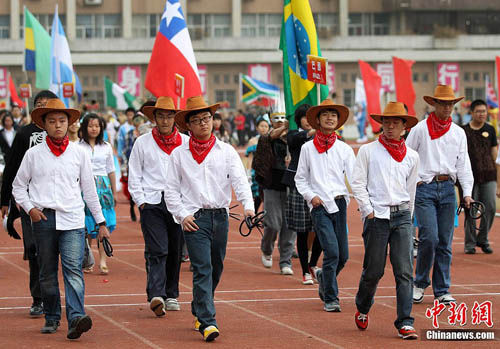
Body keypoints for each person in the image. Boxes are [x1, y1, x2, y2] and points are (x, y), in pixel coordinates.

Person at [12, 98, 110, 339]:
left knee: (73, 270)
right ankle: (52, 316)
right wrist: (30, 209)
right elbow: (18, 186)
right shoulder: (33, 155)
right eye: (52, 121)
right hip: (43, 220)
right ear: (44, 124)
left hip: (73, 220)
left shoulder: (79, 153)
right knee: (46, 271)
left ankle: (76, 317)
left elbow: (89, 191)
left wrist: (101, 224)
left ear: (69, 124)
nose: (58, 125)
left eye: (62, 121)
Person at [165, 96, 254, 342]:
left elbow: (240, 180)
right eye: (197, 120)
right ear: (188, 126)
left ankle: (199, 304)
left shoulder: (226, 151)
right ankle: (208, 321)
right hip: (195, 219)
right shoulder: (178, 154)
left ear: (213, 121)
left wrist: (248, 207)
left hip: (221, 217)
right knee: (202, 268)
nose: (203, 123)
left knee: (216, 267)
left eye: (207, 118)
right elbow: (171, 190)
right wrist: (182, 215)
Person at [351, 102, 420, 339]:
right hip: (377, 217)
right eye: (386, 122)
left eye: (395, 123)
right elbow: (358, 183)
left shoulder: (412, 156)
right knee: (374, 270)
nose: (390, 127)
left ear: (404, 127)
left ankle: (405, 321)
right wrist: (367, 210)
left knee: (404, 270)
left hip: (401, 216)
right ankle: (362, 306)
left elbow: (411, 190)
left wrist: (409, 217)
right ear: (381, 124)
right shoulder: (368, 151)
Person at [406, 85, 474, 305]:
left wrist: (467, 193)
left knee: (445, 242)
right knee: (429, 237)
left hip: (447, 190)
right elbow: (407, 156)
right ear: (433, 104)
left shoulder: (458, 132)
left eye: (450, 104)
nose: (447, 108)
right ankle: (420, 282)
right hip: (425, 187)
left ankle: (442, 289)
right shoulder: (420, 129)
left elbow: (463, 165)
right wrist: (412, 183)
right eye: (442, 103)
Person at [0, 90, 58, 318]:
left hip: (58, 203)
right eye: (39, 105)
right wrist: (5, 200)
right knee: (35, 251)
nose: (43, 107)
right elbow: (12, 168)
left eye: (47, 104)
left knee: (56, 253)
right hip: (29, 204)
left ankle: (54, 298)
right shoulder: (24, 134)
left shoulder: (62, 135)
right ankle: (39, 298)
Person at [129, 97, 188, 317]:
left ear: (175, 118)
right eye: (161, 116)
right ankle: (156, 294)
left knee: (175, 249)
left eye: (169, 115)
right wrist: (141, 201)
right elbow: (134, 173)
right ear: (154, 118)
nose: (165, 120)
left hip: (178, 203)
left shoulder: (184, 142)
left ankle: (171, 293)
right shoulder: (142, 142)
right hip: (152, 202)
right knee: (158, 249)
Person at [295, 99, 355, 312]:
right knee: (332, 252)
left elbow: (356, 177)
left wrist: (364, 199)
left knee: (343, 255)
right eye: (325, 114)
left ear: (338, 121)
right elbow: (300, 179)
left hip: (339, 203)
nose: (330, 118)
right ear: (318, 120)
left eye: (334, 115)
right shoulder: (308, 149)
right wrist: (311, 196)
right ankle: (331, 297)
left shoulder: (344, 149)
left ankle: (323, 276)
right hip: (319, 205)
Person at [283, 104, 322, 285]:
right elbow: (295, 140)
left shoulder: (322, 136)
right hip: (299, 187)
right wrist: (311, 133)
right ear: (299, 119)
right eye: (305, 117)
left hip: (319, 186)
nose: (308, 121)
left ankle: (313, 264)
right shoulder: (294, 134)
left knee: (321, 228)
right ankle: (305, 270)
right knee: (302, 230)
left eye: (311, 117)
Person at [254, 112, 295, 275]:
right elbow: (270, 136)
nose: (280, 121)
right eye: (276, 118)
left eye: (283, 118)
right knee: (272, 223)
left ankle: (286, 260)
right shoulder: (266, 138)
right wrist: (285, 127)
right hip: (272, 185)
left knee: (290, 226)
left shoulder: (295, 138)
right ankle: (267, 249)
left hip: (292, 186)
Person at [78, 114, 117, 274]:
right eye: (90, 126)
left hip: (103, 189)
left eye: (97, 126)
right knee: (86, 226)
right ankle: (87, 259)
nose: (94, 129)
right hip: (84, 188)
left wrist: (114, 192)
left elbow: (111, 170)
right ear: (84, 128)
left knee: (103, 224)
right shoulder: (78, 147)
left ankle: (102, 260)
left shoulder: (106, 146)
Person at [462, 99, 498, 254]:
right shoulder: (463, 131)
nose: (482, 114)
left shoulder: (490, 129)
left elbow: (494, 154)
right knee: (471, 208)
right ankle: (470, 243)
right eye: (478, 111)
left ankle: (482, 239)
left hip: (489, 174)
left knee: (490, 207)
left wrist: (498, 178)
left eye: (484, 111)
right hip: (470, 176)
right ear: (471, 113)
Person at [120, 113, 145, 222]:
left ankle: (142, 211)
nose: (138, 122)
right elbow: (125, 149)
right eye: (136, 120)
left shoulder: (147, 133)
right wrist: (125, 164)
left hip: (145, 165)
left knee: (144, 187)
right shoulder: (129, 133)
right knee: (133, 186)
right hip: (132, 163)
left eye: (140, 120)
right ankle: (132, 207)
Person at [245, 115, 270, 212]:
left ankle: (265, 216)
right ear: (257, 127)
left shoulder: (270, 140)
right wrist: (248, 173)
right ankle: (253, 213)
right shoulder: (253, 141)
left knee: (267, 195)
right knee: (257, 195)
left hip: (268, 171)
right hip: (256, 171)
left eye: (266, 126)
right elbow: (250, 158)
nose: (264, 128)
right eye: (261, 126)